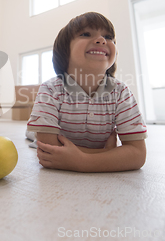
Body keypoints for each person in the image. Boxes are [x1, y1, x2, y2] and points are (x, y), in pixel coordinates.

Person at [27, 12, 147, 172]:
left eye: (109, 37)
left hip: (70, 143)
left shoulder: (121, 92)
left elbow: (138, 154)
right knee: (31, 133)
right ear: (65, 51)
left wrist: (84, 161)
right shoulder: (50, 89)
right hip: (48, 131)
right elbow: (48, 149)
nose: (101, 40)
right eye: (86, 34)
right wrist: (107, 154)